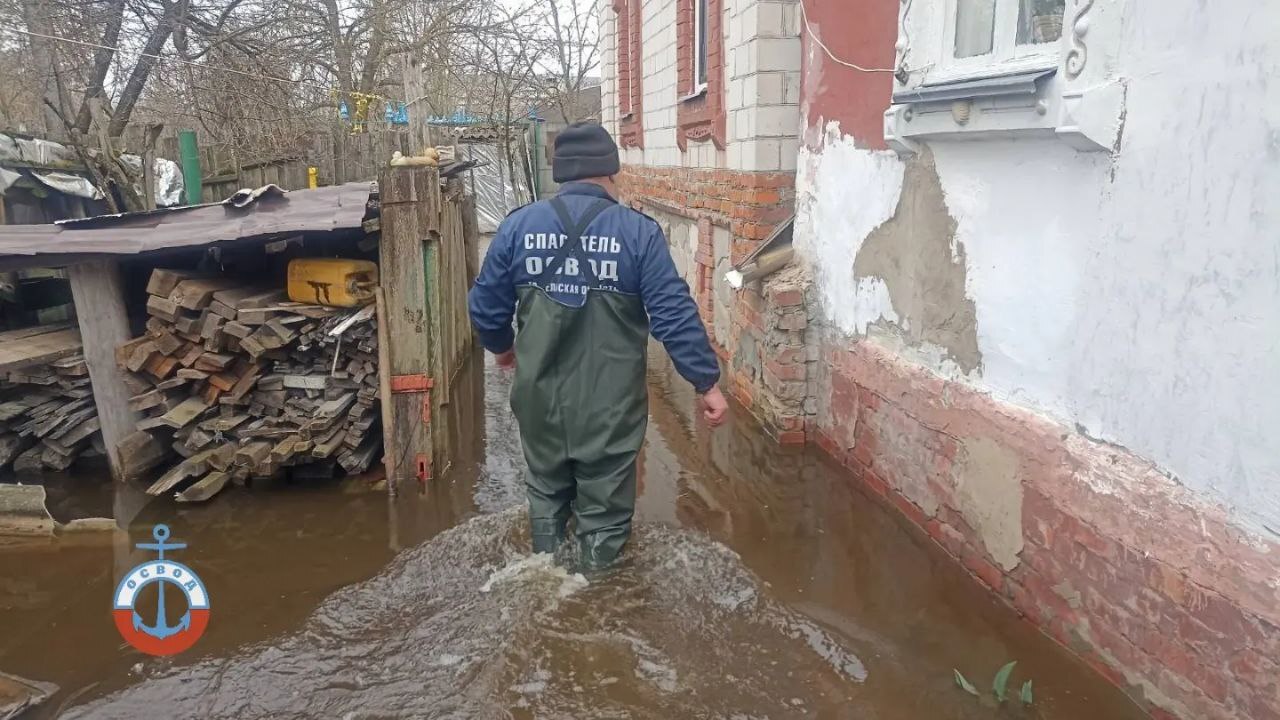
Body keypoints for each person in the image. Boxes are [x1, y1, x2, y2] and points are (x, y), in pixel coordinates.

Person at [468, 122, 728, 569]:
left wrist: (503, 348)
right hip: (609, 408)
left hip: (539, 401)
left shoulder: (517, 228)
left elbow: (485, 309)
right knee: (604, 513)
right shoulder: (639, 234)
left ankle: (545, 575)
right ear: (612, 171)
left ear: (561, 172)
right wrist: (706, 383)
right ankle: (594, 600)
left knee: (546, 493)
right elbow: (673, 315)